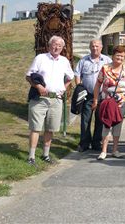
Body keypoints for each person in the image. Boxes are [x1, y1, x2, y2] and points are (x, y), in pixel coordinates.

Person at [25, 35, 74, 165]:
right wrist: (38, 86)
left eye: (59, 45)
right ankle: (31, 157)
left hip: (55, 99)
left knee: (50, 129)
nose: (56, 47)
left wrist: (63, 88)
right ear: (49, 45)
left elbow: (70, 77)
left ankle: (45, 155)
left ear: (62, 48)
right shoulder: (40, 58)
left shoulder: (64, 61)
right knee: (35, 128)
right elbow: (29, 76)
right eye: (54, 44)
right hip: (39, 98)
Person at [92, 45, 125, 160]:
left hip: (121, 103)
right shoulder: (105, 68)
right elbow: (97, 85)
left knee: (117, 126)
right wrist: (95, 99)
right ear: (113, 56)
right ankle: (104, 150)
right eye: (118, 55)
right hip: (107, 102)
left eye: (122, 56)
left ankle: (115, 149)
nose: (120, 58)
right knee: (106, 125)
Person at [74, 39, 112, 152]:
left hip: (102, 94)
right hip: (88, 95)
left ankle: (96, 143)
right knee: (86, 119)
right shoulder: (83, 60)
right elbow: (77, 74)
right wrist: (79, 88)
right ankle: (84, 143)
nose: (95, 48)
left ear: (101, 47)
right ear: (89, 47)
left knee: (100, 119)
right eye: (92, 46)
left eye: (97, 46)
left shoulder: (107, 60)